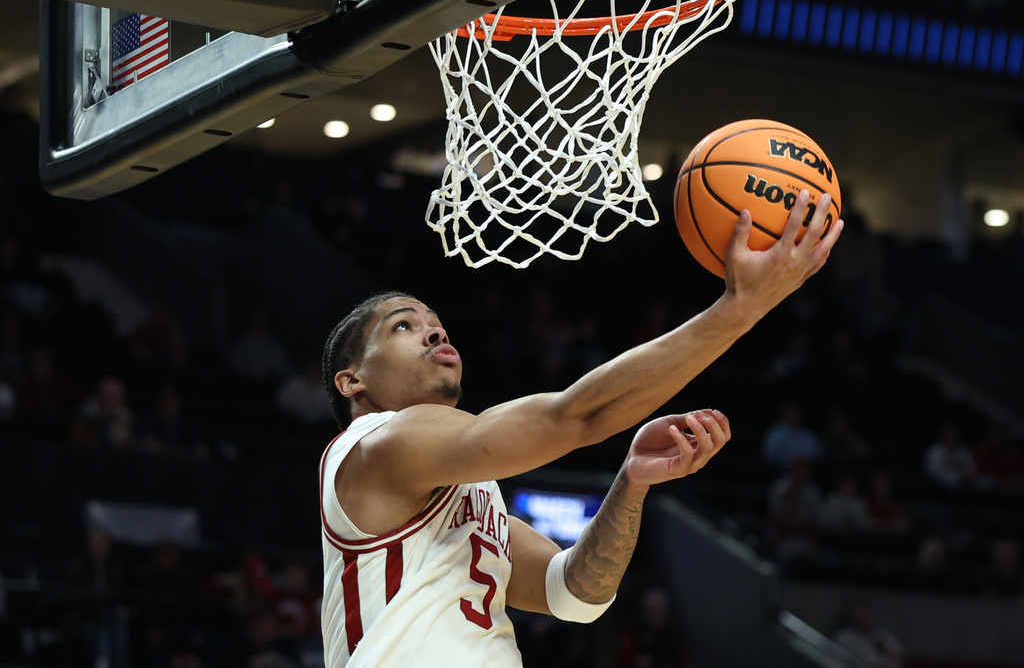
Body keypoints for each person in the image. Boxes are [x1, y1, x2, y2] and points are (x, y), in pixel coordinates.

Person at [318, 193, 842, 666]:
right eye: (403, 326)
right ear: (352, 380)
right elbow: (572, 416)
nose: (433, 329)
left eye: (436, 321)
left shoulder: (472, 492)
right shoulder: (372, 448)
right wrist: (739, 310)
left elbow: (575, 593)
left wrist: (630, 483)